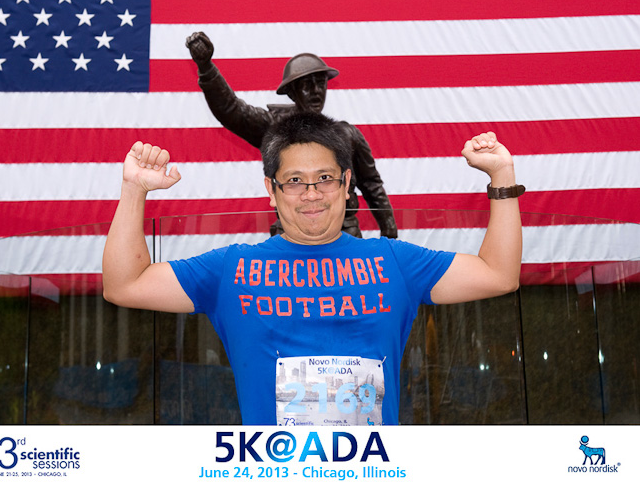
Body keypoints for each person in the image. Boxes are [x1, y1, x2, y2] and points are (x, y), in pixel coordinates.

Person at [102, 112, 524, 426]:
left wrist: (501, 175)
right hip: (270, 471)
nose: (311, 194)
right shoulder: (230, 269)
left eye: (325, 178)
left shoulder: (395, 262)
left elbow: (498, 275)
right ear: (271, 190)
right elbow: (125, 285)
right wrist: (134, 189)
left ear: (346, 184)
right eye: (294, 181)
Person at [185, 31, 397, 238]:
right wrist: (206, 68)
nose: (315, 91)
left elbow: (371, 184)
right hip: (291, 236)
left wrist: (389, 233)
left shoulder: (347, 135)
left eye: (320, 84)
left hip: (343, 236)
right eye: (306, 85)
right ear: (292, 93)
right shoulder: (275, 128)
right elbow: (232, 110)